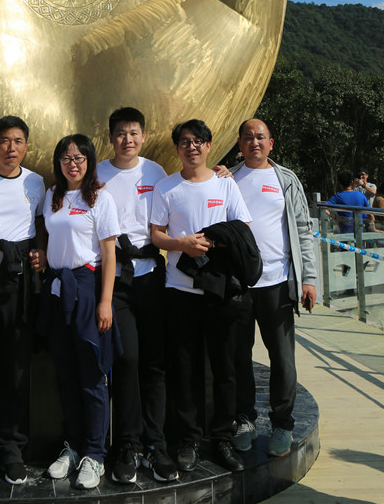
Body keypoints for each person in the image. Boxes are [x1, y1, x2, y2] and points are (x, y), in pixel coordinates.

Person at [150, 119, 254, 474]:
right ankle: (188, 439)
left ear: (209, 146)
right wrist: (182, 244)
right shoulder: (166, 187)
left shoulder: (225, 184)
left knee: (224, 368)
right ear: (177, 148)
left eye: (198, 141)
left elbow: (243, 228)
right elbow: (156, 235)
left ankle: (222, 438)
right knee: (185, 368)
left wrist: (211, 240)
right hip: (180, 290)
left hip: (220, 290)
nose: (191, 147)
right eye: (185, 142)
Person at [96, 107, 176, 483]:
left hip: (151, 277)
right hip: (115, 280)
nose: (127, 140)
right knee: (127, 360)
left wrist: (223, 173)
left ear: (143, 136)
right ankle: (126, 443)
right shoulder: (97, 174)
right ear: (110, 137)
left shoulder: (155, 173)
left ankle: (155, 444)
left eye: (133, 133)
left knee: (154, 363)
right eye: (120, 134)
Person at [230, 119, 318, 459]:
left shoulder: (286, 180)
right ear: (240, 143)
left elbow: (303, 230)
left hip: (277, 283)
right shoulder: (228, 180)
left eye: (260, 137)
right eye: (248, 137)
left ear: (271, 143)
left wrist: (308, 279)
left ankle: (282, 424)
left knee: (282, 359)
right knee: (239, 356)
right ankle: (245, 420)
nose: (255, 142)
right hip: (239, 284)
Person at [40, 134, 120, 490]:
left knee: (91, 376)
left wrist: (105, 301)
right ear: (58, 163)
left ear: (89, 162)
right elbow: (50, 238)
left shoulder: (100, 198)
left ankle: (95, 454)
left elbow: (109, 253)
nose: (72, 164)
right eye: (66, 158)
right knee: (66, 374)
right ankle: (73, 446)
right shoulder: (51, 196)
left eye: (79, 158)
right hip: (58, 289)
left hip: (87, 288)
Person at [0, 116, 46, 485]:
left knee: (17, 369)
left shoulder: (36, 182)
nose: (11, 148)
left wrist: (40, 254)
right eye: (4, 141)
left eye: (18, 141)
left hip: (20, 289)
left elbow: (41, 226)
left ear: (26, 146)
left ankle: (12, 448)